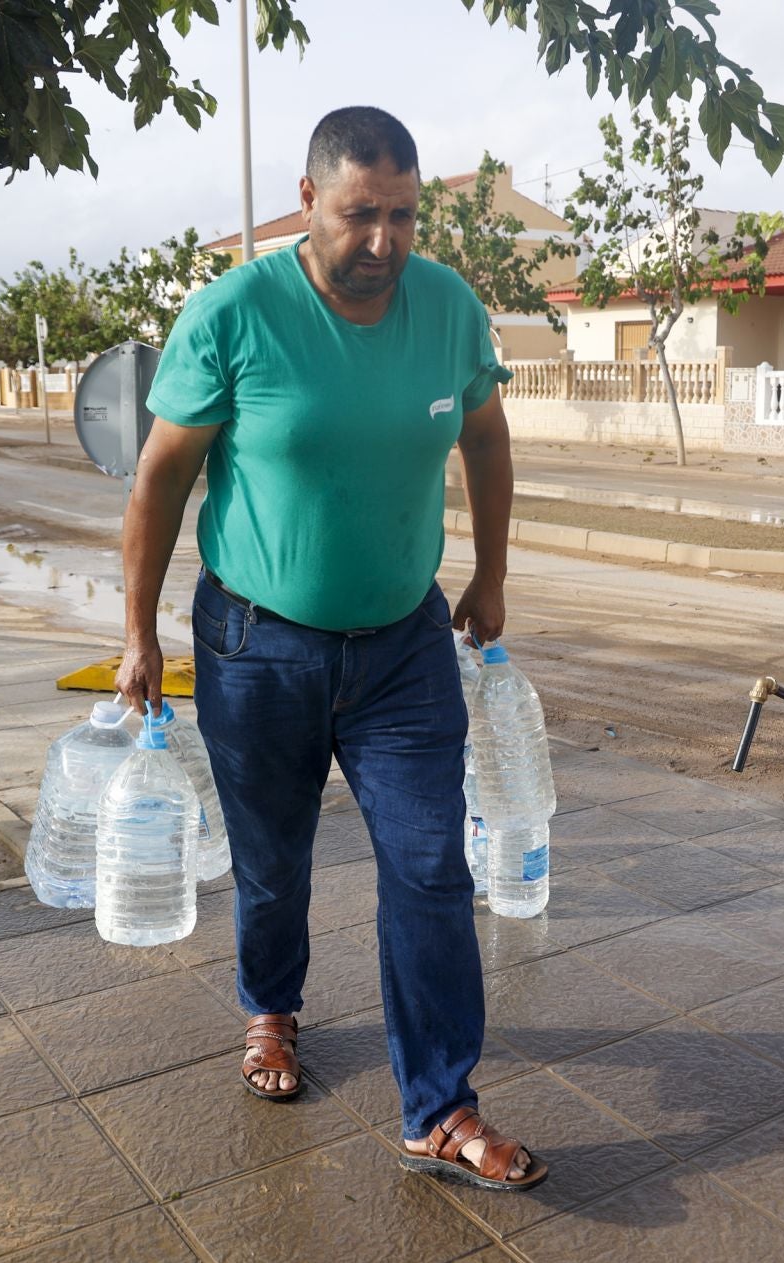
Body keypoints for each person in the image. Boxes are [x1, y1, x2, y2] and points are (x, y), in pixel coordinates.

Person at [116, 106, 542, 1191]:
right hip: (258, 646)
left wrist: (491, 574)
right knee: (274, 860)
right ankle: (272, 1008)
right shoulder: (234, 313)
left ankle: (440, 1106)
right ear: (309, 203)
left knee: (430, 866)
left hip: (403, 645)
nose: (386, 240)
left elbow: (486, 437)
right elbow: (160, 476)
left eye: (403, 215)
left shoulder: (448, 308)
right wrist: (136, 634)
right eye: (362, 215)